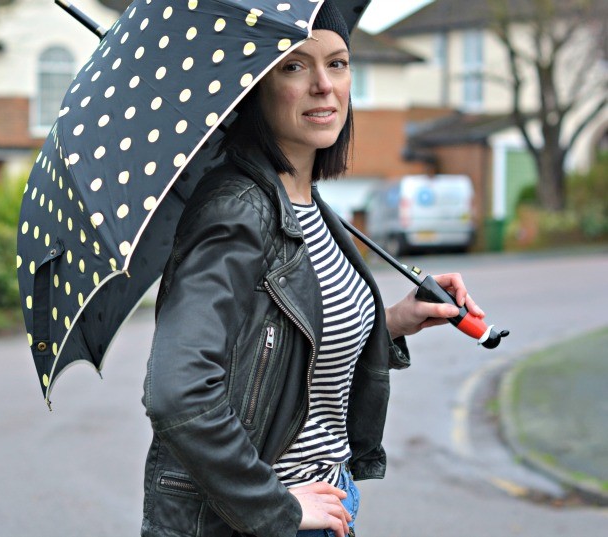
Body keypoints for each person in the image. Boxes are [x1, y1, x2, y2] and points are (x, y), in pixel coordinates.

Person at [140, 3, 485, 537]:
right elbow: (177, 390)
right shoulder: (238, 209)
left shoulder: (308, 204)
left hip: (326, 506)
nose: (325, 85)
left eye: (339, 63)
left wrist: (394, 320)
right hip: (267, 522)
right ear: (256, 85)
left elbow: (285, 339)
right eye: (295, 66)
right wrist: (275, 504)